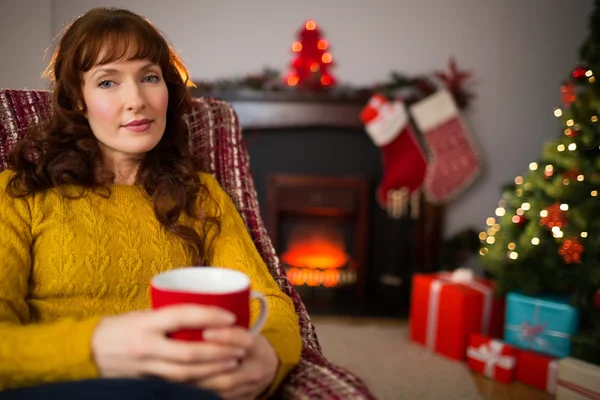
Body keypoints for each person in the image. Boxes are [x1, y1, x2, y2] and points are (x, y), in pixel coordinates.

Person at [0, 7, 302, 400]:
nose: (137, 100)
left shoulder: (201, 194)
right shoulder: (20, 194)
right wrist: (100, 348)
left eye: (148, 77)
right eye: (107, 82)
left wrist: (269, 357)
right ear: (77, 101)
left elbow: (268, 301)